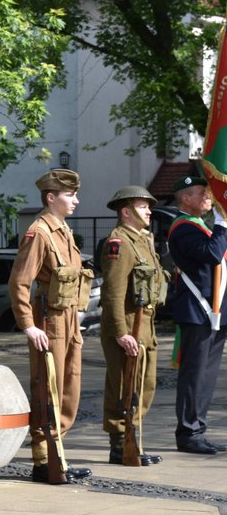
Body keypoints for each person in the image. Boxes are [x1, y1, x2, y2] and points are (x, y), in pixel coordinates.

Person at [8, 168, 94, 484]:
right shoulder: (40, 232)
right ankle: (44, 461)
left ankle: (59, 455)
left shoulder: (63, 231)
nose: (76, 200)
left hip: (70, 319)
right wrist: (28, 325)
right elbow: (19, 281)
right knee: (49, 388)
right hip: (50, 320)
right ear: (51, 197)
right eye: (70, 195)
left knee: (70, 387)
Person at [99, 186, 165, 464]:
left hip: (145, 325)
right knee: (124, 385)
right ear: (126, 212)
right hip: (128, 326)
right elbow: (113, 292)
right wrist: (120, 332)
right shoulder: (120, 243)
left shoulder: (143, 240)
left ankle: (133, 440)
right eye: (142, 206)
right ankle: (120, 443)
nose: (149, 210)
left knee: (144, 385)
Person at [167, 171, 227, 454]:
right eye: (202, 194)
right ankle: (188, 433)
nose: (208, 197)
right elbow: (212, 254)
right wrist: (223, 224)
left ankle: (198, 431)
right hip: (198, 311)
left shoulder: (200, 225)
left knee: (206, 376)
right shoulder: (183, 227)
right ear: (186, 198)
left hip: (213, 313)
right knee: (194, 375)